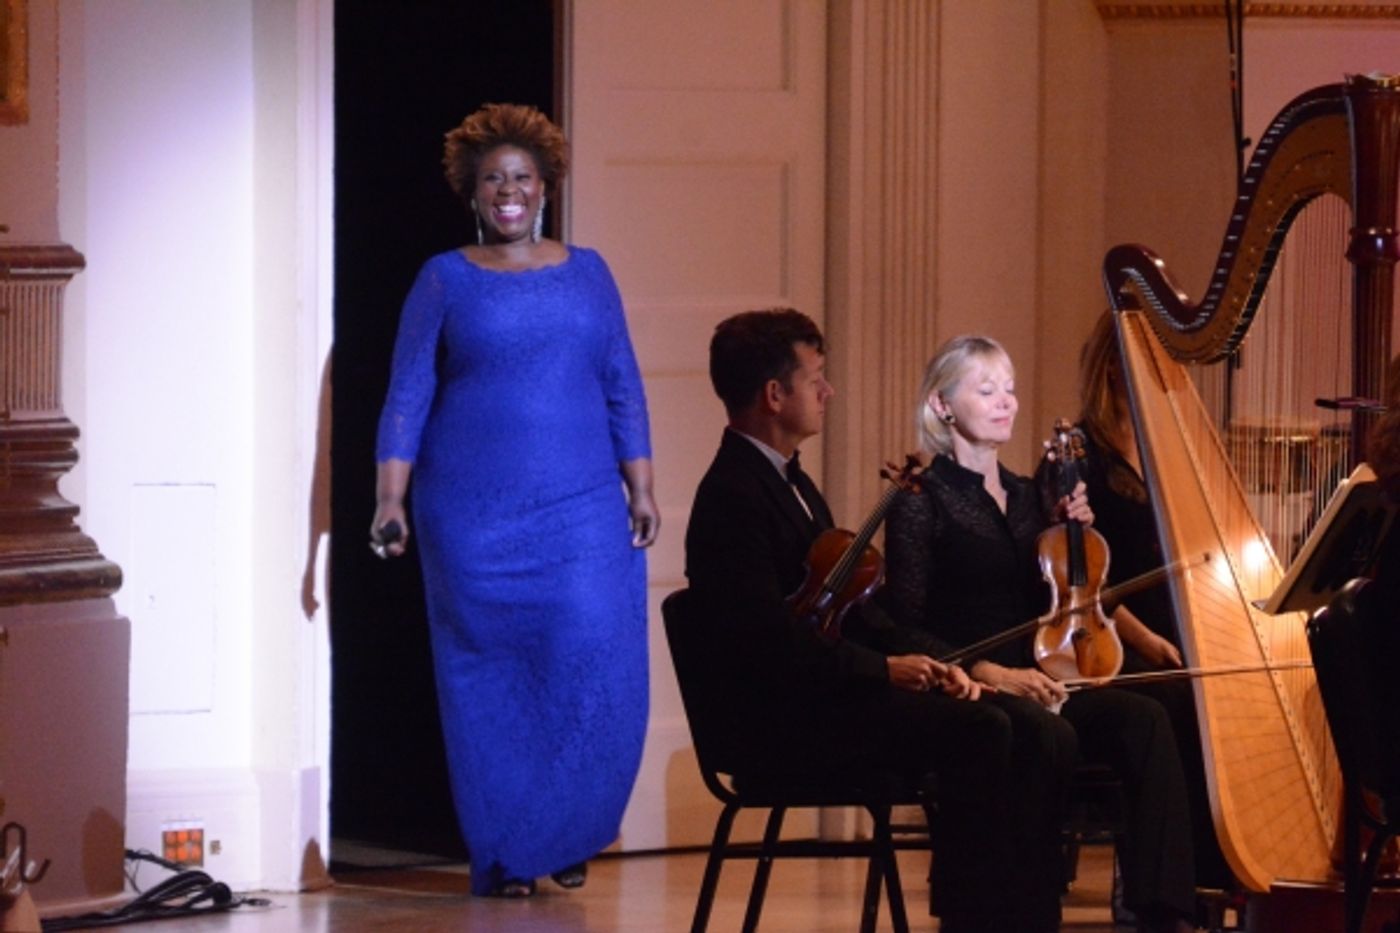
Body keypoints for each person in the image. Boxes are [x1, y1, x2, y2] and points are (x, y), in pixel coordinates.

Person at [684, 308, 1076, 933]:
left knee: (1015, 722)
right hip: (782, 720)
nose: (827, 391)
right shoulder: (733, 497)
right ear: (774, 394)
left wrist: (942, 664)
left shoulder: (794, 484)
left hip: (824, 693)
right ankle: (978, 920)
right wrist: (884, 670)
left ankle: (1023, 917)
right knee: (982, 728)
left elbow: (856, 610)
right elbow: (767, 643)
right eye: (816, 378)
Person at [370, 102, 659, 898]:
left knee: (591, 664)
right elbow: (406, 394)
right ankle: (506, 849)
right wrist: (389, 498)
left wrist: (642, 485)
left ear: (546, 189)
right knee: (489, 682)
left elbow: (622, 384)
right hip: (470, 517)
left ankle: (565, 829)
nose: (508, 191)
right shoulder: (444, 278)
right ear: (471, 191)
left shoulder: (589, 271)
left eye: (522, 178)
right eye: (493, 178)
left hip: (580, 512)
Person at [879, 334, 1197, 933]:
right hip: (975, 684)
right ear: (943, 406)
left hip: (1044, 680)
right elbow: (903, 624)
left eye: (1011, 389)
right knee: (1040, 735)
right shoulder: (921, 502)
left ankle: (1164, 911)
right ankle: (1030, 913)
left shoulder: (1031, 497)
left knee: (1150, 714)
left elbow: (1064, 601)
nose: (1006, 402)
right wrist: (987, 672)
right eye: (986, 389)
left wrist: (1074, 533)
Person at [1043, 310, 1231, 893]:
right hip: (1114, 638)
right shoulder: (1079, 460)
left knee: (1225, 691)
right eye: (1153, 366)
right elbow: (1085, 581)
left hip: (1179, 628)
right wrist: (1147, 639)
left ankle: (1225, 867)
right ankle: (1172, 887)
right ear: (1116, 372)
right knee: (1179, 696)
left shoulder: (1168, 453)